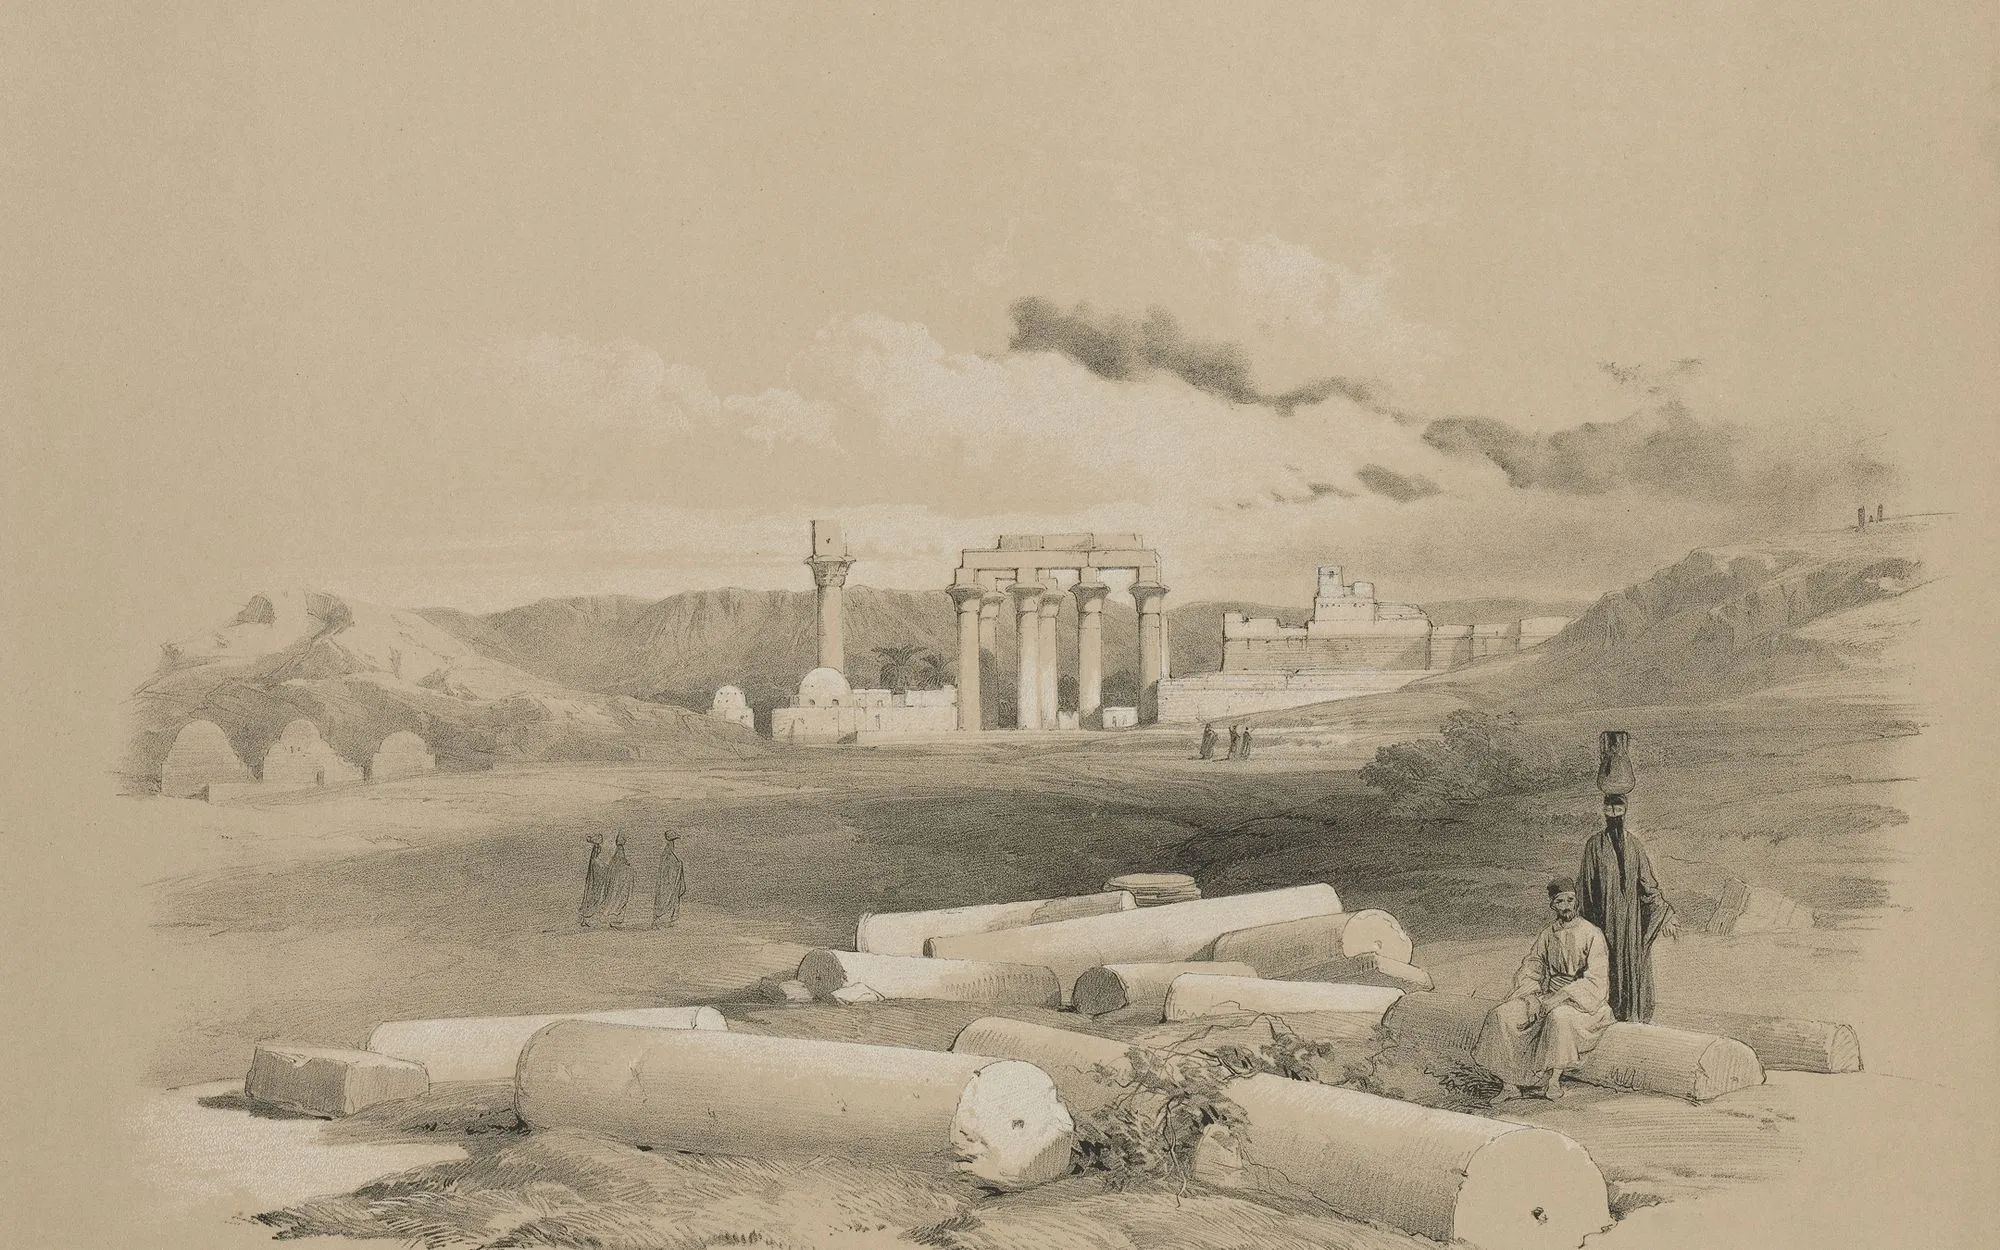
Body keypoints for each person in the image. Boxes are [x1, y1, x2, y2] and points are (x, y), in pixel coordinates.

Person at [1474, 878, 1615, 1101]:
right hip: (1547, 997)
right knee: (1500, 1015)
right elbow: (1531, 967)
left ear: (1576, 902)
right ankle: (1509, 1085)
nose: (1566, 905)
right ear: (1553, 905)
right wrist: (1531, 998)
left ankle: (1553, 1081)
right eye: (1560, 901)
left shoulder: (1592, 933)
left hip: (1582, 1003)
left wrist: (1560, 997)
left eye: (1570, 900)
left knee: (1558, 1018)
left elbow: (1597, 980)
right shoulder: (1548, 934)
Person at [1576, 794, 1680, 1023]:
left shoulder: (1634, 845)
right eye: (1609, 808)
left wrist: (1666, 915)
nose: (1614, 812)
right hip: (1601, 925)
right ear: (1603, 811)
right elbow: (1585, 889)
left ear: (1625, 810)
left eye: (1618, 808)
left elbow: (1648, 885)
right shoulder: (1593, 845)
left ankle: (1631, 1020)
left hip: (1630, 928)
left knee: (1631, 971)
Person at [600, 830, 636, 927]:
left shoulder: (619, 851)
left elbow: (618, 863)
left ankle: (614, 918)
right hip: (619, 880)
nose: (625, 840)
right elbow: (619, 865)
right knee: (618, 898)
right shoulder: (619, 851)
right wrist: (627, 867)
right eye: (624, 838)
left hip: (618, 879)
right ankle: (613, 919)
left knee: (618, 897)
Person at [653, 830, 687, 928]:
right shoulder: (667, 854)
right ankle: (661, 921)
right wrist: (679, 865)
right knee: (666, 899)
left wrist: (679, 864)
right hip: (667, 883)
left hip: (669, 882)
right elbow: (668, 869)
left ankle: (666, 920)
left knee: (669, 899)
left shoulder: (668, 854)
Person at [579, 831, 609, 928]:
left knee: (592, 898)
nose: (599, 851)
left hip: (594, 883)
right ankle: (587, 919)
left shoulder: (596, 860)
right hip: (594, 884)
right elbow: (599, 870)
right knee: (592, 898)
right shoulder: (595, 861)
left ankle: (586, 919)